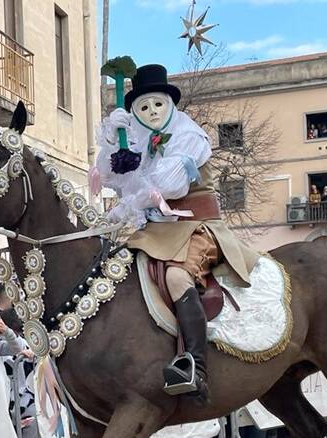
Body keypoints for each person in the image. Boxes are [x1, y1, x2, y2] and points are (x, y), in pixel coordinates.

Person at [96, 64, 260, 404]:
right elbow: (108, 177)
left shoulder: (189, 134)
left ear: (169, 104)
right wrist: (114, 143)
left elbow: (169, 186)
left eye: (157, 104)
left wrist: (131, 197)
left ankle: (195, 367)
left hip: (197, 225)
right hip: (153, 229)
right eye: (143, 107)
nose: (151, 112)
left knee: (175, 277)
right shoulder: (138, 139)